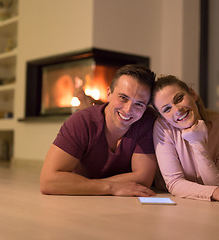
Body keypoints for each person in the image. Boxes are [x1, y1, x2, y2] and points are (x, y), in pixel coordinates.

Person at [40, 64, 157, 197]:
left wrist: (83, 185)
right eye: (123, 98)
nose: (128, 109)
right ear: (109, 93)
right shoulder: (81, 122)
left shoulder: (146, 121)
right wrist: (111, 187)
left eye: (139, 104)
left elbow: (143, 178)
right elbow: (48, 181)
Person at [152, 75, 219, 205]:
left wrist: (198, 143)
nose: (177, 110)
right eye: (167, 109)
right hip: (174, 201)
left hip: (205, 204)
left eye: (179, 99)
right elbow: (175, 183)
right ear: (164, 117)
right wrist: (215, 192)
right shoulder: (163, 127)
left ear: (192, 94)